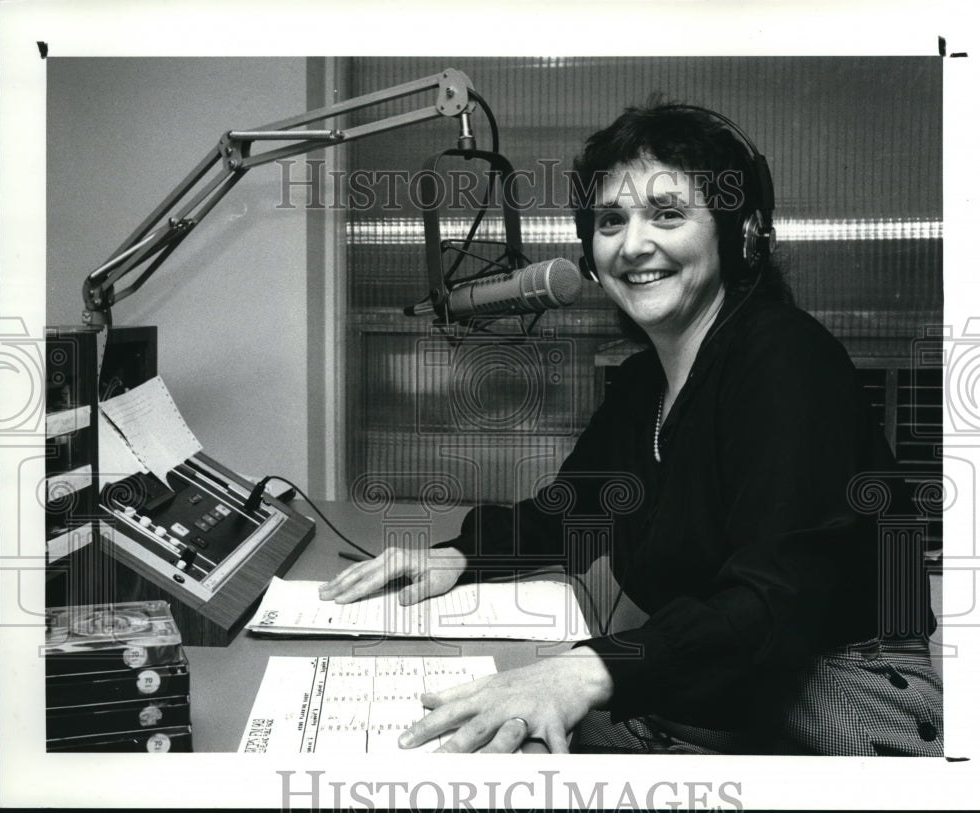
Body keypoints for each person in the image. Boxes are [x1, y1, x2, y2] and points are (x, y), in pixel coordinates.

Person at [319, 101, 943, 756]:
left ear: (741, 231)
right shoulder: (648, 379)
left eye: (667, 213)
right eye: (611, 221)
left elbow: (773, 603)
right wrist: (460, 553)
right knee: (472, 736)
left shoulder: (787, 360)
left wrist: (585, 668)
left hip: (837, 689)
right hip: (713, 674)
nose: (633, 243)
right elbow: (569, 510)